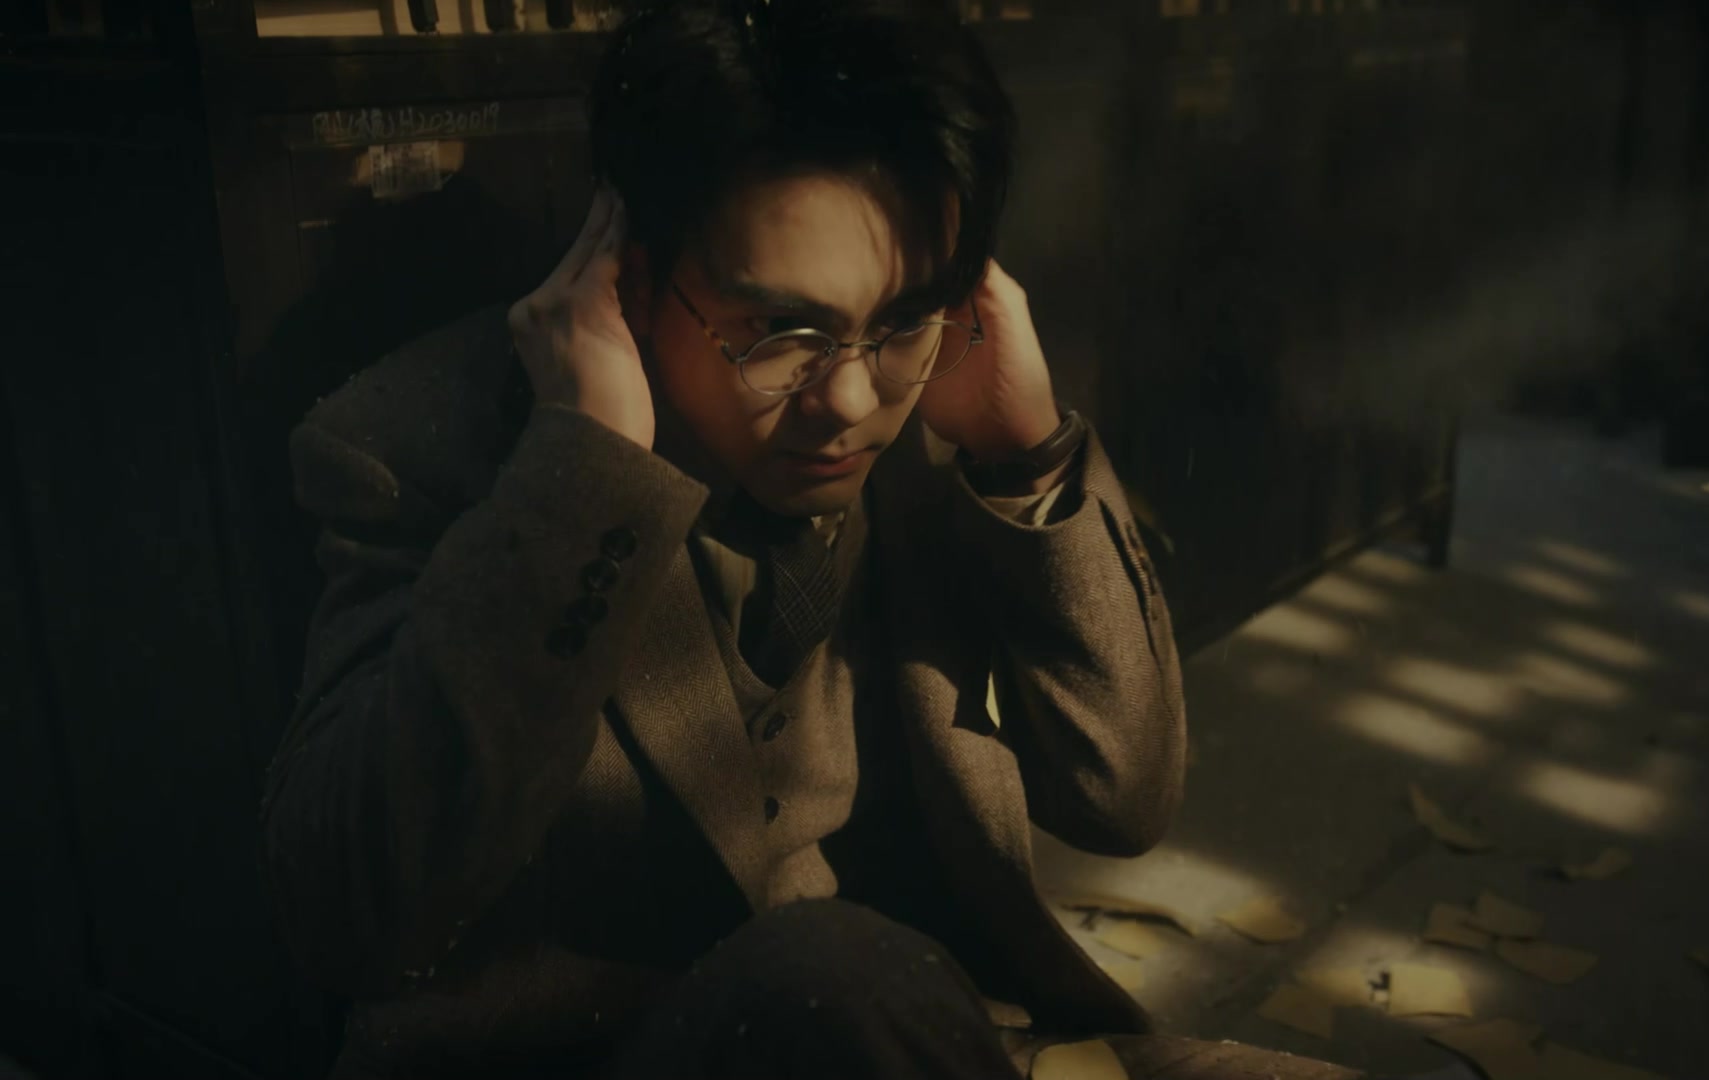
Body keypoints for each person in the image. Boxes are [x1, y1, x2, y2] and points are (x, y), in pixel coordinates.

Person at [261, 1, 1356, 1077]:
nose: (849, 401)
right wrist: (582, 480)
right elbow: (350, 915)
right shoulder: (429, 448)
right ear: (630, 274)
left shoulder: (934, 416)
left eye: (903, 321)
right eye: (781, 332)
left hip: (931, 1040)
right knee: (829, 972)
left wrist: (1029, 457)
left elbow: (1124, 797)